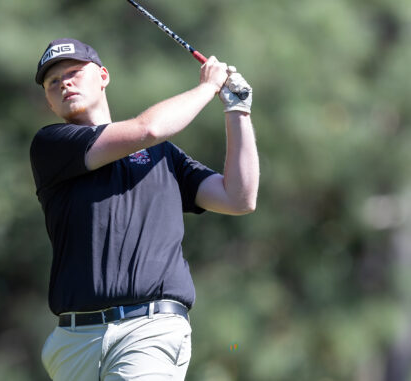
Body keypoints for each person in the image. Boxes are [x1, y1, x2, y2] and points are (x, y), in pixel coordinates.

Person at [29, 38, 259, 381]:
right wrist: (208, 87)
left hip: (148, 330)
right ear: (49, 100)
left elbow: (238, 198)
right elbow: (146, 129)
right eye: (53, 82)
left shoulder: (163, 155)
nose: (64, 83)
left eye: (74, 72)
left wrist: (237, 109)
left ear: (104, 76)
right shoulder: (51, 146)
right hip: (74, 342)